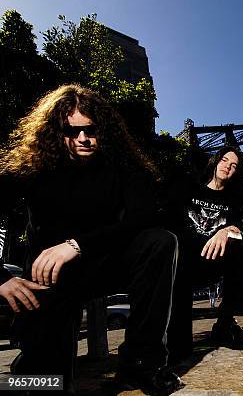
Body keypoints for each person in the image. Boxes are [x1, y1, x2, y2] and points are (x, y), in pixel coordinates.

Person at [0, 84, 183, 395]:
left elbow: (143, 218)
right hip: (49, 280)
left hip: (102, 265)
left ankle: (141, 364)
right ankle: (29, 368)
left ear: (104, 130)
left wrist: (75, 245)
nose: (83, 138)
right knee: (44, 384)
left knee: (160, 241)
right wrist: (1, 278)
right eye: (72, 131)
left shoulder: (124, 165)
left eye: (91, 129)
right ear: (56, 132)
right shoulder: (31, 167)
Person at [165, 146, 243, 363]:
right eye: (224, 160)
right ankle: (176, 344)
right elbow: (171, 224)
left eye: (233, 165)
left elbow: (238, 231)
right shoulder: (189, 189)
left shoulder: (233, 200)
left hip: (212, 259)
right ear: (214, 161)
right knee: (180, 353)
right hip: (183, 259)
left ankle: (225, 323)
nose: (228, 166)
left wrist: (224, 231)